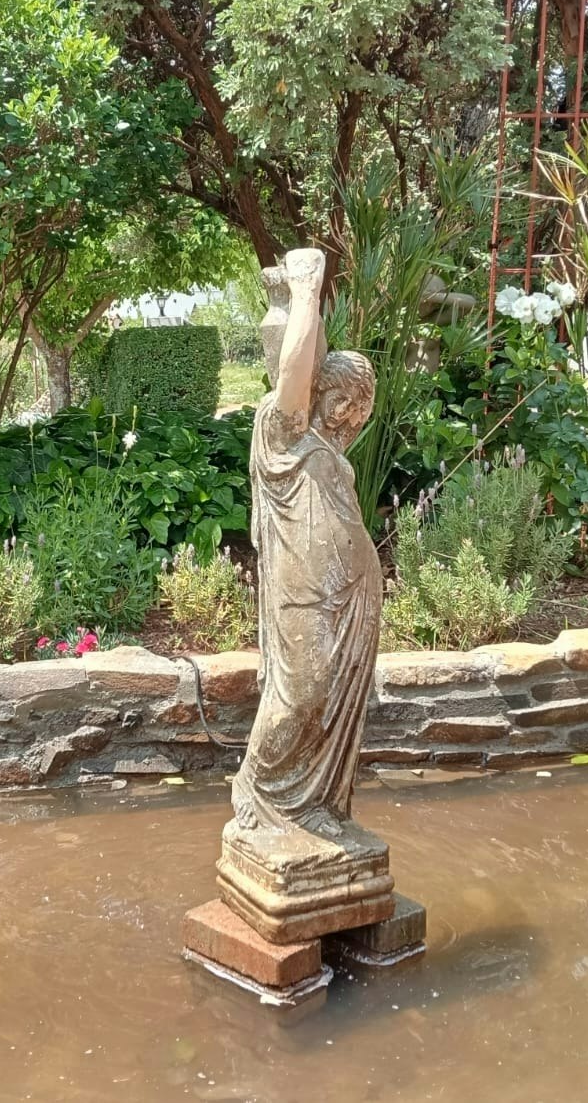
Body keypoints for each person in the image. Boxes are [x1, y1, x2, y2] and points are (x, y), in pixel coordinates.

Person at [231, 248, 380, 840]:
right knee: (301, 693)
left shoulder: (327, 445)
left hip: (349, 598)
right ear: (316, 391)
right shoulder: (280, 429)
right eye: (338, 398)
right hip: (303, 593)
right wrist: (305, 290)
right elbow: (293, 375)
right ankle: (258, 786)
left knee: (329, 700)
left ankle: (313, 802)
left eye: (357, 406)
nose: (347, 414)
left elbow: (310, 369)